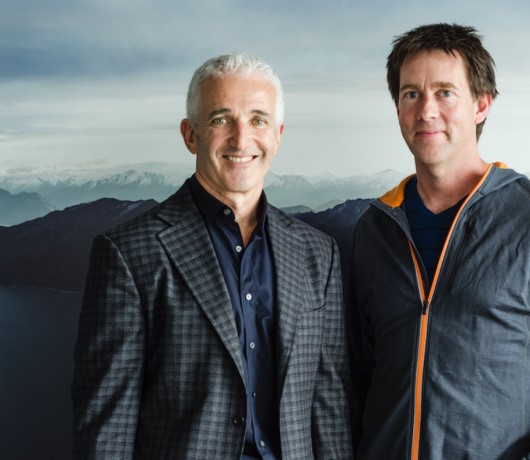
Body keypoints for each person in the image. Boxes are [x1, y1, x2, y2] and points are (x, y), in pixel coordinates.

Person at [348, 23, 530, 459]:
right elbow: (361, 371)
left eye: (445, 93)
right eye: (411, 94)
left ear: (481, 104)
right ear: (397, 107)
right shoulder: (374, 229)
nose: (426, 111)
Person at [72, 53, 352, 459]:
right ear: (190, 135)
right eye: (222, 119)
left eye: (258, 120)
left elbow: (329, 407)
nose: (241, 139)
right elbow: (107, 427)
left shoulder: (318, 254)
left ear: (277, 136)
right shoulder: (128, 253)